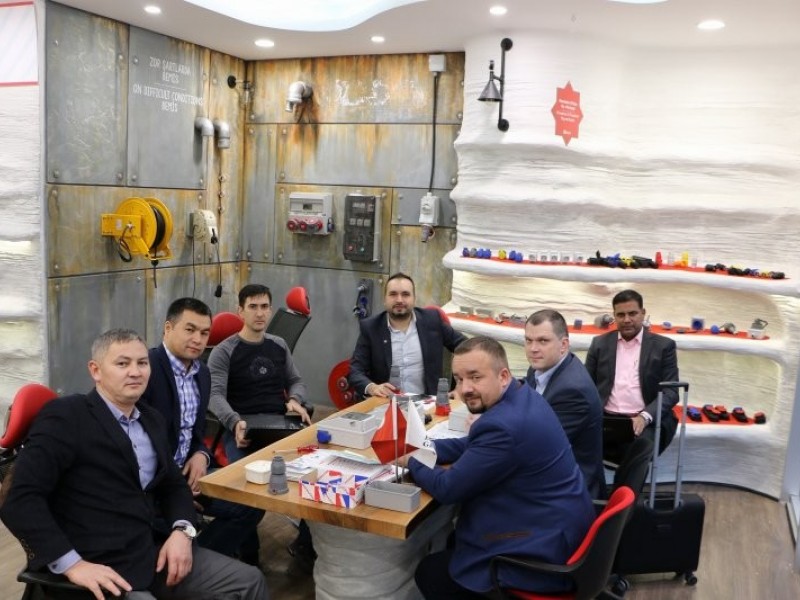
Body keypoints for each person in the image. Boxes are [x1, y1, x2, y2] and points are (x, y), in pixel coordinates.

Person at [0, 329, 268, 600]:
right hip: (96, 566)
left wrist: (182, 531)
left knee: (249, 582)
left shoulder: (151, 419)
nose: (135, 372)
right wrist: (71, 564)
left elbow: (173, 485)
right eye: (122, 363)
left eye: (142, 363)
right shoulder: (67, 416)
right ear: (95, 370)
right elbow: (18, 499)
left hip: (150, 552)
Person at [400, 336, 594, 599]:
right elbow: (473, 444)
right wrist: (424, 447)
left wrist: (411, 461)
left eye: (475, 377)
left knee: (431, 572)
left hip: (542, 551)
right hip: (557, 525)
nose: (465, 388)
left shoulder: (503, 426)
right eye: (459, 379)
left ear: (503, 376)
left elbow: (447, 488)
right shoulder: (523, 395)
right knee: (453, 539)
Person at [140, 297, 265, 565]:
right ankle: (192, 564)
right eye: (190, 330)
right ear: (168, 328)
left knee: (253, 503)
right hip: (155, 486)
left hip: (191, 475)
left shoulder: (202, 373)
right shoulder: (145, 369)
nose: (198, 339)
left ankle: (196, 563)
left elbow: (196, 436)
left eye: (204, 333)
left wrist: (201, 455)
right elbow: (136, 447)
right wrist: (176, 492)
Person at [208, 283, 313, 564]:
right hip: (244, 428)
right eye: (252, 307)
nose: (259, 313)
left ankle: (305, 546)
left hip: (280, 423)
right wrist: (234, 422)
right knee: (248, 493)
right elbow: (214, 396)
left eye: (264, 306)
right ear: (240, 311)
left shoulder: (278, 345)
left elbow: (296, 381)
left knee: (314, 476)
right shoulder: (224, 351)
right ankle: (248, 554)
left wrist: (295, 400)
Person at [585, 289, 680, 462]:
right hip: (606, 418)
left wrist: (644, 417)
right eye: (621, 315)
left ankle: (628, 482)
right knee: (578, 444)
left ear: (643, 313)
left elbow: (671, 392)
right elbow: (585, 384)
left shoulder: (663, 346)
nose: (627, 320)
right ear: (614, 316)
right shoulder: (599, 344)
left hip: (643, 418)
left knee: (639, 451)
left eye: (632, 313)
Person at [524, 309, 605, 499]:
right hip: (547, 471)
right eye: (528, 340)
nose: (533, 348)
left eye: (543, 341)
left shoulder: (573, 391)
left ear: (564, 345)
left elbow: (535, 446)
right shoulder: (538, 368)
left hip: (566, 491)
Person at [348, 272, 466, 398]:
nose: (399, 300)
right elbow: (355, 371)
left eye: (405, 294)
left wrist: (460, 387)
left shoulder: (432, 321)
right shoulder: (371, 328)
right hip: (387, 403)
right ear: (385, 300)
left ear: (414, 299)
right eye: (393, 294)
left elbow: (467, 347)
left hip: (427, 403)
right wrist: (373, 387)